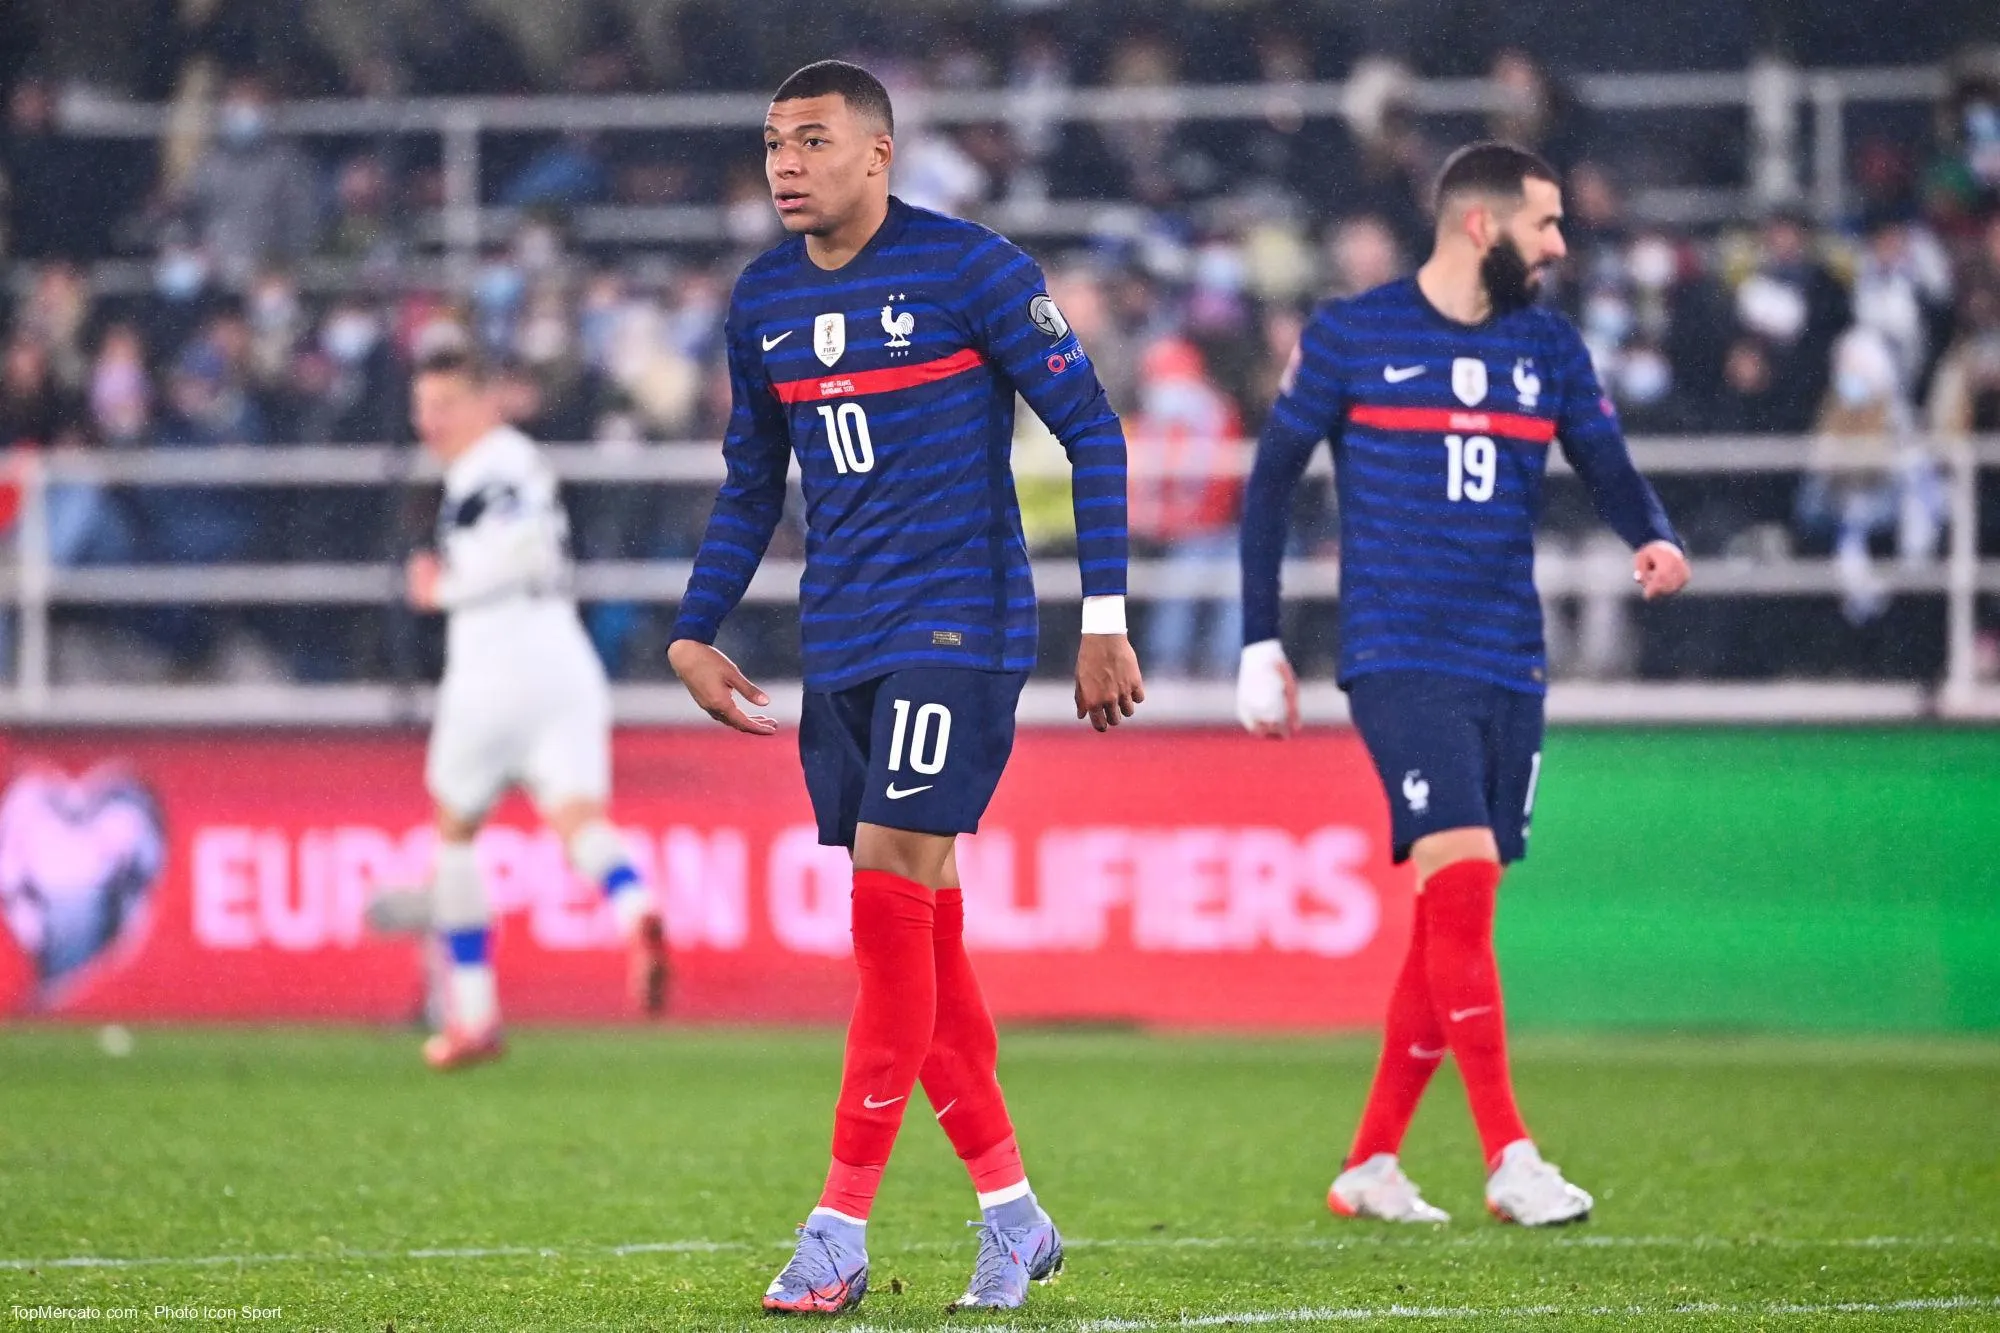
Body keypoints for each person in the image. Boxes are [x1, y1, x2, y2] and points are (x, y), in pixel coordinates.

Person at [666, 61, 1143, 1315]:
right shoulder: (761, 298)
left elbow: (1091, 429)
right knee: (914, 927)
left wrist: (1105, 615)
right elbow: (747, 481)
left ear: (876, 154)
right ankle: (1012, 1213)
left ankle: (837, 1226)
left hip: (961, 623)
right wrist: (694, 627)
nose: (783, 164)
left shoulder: (970, 268)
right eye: (771, 142)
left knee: (889, 886)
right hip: (845, 635)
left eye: (810, 141)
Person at [1236, 142, 1691, 1227]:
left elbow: (1603, 461)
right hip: (1399, 652)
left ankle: (1370, 1162)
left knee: (1451, 906)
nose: (1558, 245)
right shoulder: (1354, 333)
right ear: (1480, 226)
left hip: (1508, 655)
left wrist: (1652, 534)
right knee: (1463, 875)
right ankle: (1508, 1154)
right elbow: (1267, 485)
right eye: (1543, 224)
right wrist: (1259, 638)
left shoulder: (1547, 346)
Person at [377, 346, 668, 1069]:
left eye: (444, 405)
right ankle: (635, 912)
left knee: (453, 835)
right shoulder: (521, 462)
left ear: (485, 404)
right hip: (563, 661)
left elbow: (524, 550)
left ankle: (473, 1014)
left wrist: (440, 587)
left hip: (494, 663)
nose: (429, 421)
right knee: (578, 823)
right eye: (422, 407)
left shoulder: (493, 465)